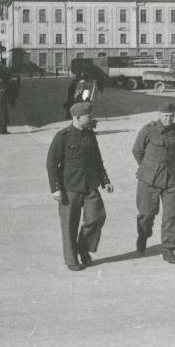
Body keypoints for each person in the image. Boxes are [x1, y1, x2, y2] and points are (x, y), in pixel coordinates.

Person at [47, 102, 113, 271]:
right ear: (77, 118)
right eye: (89, 116)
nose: (92, 118)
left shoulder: (90, 135)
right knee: (69, 224)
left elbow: (97, 159)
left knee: (97, 216)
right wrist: (55, 189)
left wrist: (105, 180)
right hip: (70, 186)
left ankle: (82, 247)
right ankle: (71, 259)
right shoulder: (63, 136)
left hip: (90, 185)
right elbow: (52, 163)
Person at [133, 103, 175, 264]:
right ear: (159, 115)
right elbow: (137, 150)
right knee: (146, 213)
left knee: (172, 214)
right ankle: (143, 234)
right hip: (149, 178)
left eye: (171, 116)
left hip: (170, 177)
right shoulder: (149, 129)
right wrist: (148, 167)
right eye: (165, 116)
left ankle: (168, 249)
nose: (169, 119)